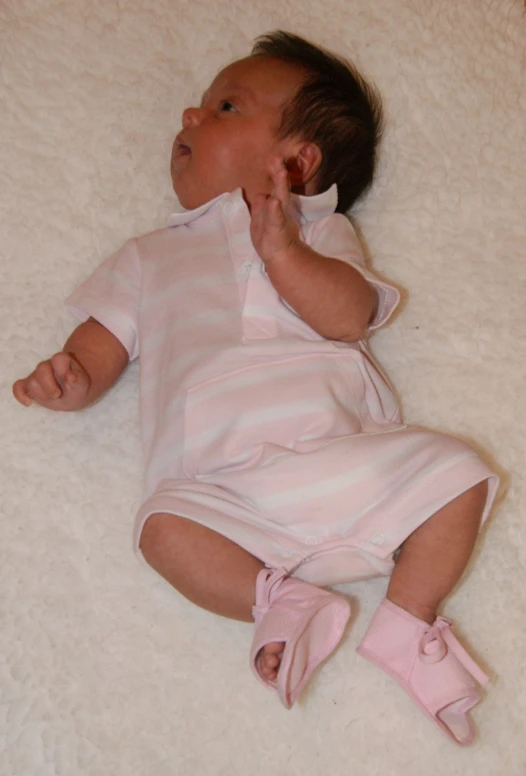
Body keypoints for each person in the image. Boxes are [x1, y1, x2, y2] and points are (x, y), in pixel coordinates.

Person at [12, 31, 498, 745]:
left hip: (340, 457)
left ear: (298, 166)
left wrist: (283, 253)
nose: (190, 116)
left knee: (462, 474)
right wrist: (73, 375)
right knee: (160, 530)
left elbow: (347, 316)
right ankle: (283, 601)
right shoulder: (149, 256)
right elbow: (101, 344)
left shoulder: (321, 231)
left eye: (225, 106)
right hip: (224, 490)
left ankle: (406, 620)